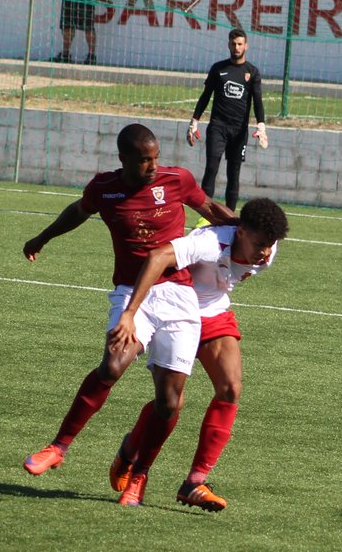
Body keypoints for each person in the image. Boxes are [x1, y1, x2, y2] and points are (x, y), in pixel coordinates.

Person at [22, 124, 236, 507]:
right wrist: (42, 237)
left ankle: (139, 476)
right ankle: (58, 447)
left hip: (178, 296)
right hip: (130, 292)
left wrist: (251, 228)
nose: (152, 166)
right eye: (144, 160)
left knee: (169, 402)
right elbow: (78, 211)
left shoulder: (177, 180)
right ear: (123, 159)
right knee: (112, 365)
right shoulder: (104, 188)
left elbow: (210, 210)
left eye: (155, 158)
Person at [108, 198, 289, 511]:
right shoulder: (207, 242)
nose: (265, 253)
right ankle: (130, 452)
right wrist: (133, 311)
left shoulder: (266, 251)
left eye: (270, 245)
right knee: (172, 403)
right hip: (176, 309)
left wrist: (263, 246)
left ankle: (194, 482)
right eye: (260, 244)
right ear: (241, 232)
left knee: (231, 388)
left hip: (214, 311)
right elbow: (160, 258)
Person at [187, 28, 268, 212]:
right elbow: (205, 96)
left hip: (239, 131)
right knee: (211, 169)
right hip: (218, 127)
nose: (236, 47)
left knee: (234, 173)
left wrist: (261, 127)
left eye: (240, 44)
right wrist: (194, 122)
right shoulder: (218, 69)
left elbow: (258, 101)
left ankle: (230, 217)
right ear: (228, 45)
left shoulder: (252, 72)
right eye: (233, 44)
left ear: (246, 46)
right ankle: (205, 215)